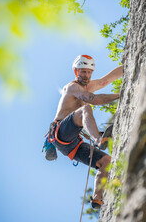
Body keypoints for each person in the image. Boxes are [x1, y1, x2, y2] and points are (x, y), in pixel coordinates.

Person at [44, 55, 123, 209]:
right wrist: (121, 94)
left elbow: (107, 79)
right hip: (61, 133)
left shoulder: (90, 84)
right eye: (83, 72)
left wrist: (128, 64)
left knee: (106, 161)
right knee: (86, 108)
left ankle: (97, 199)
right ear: (76, 72)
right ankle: (99, 139)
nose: (86, 75)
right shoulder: (72, 88)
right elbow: (95, 99)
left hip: (72, 144)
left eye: (89, 72)